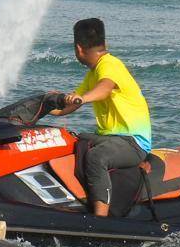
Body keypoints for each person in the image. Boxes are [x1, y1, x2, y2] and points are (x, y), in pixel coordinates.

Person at [55, 17, 152, 217]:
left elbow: (104, 89)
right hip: (111, 138)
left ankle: (100, 218)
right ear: (104, 44)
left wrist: (82, 98)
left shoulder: (109, 65)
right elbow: (70, 105)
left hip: (133, 142)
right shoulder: (93, 72)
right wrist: (42, 108)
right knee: (72, 139)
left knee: (96, 156)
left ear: (78, 49)